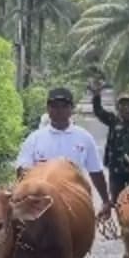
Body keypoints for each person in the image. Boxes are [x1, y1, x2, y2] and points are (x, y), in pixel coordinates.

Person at [15, 86, 113, 220]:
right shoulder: (35, 138)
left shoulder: (84, 138)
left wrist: (106, 201)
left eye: (64, 106)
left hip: (74, 201)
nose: (59, 110)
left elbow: (96, 171)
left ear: (71, 109)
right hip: (41, 203)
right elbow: (22, 169)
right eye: (54, 106)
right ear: (48, 109)